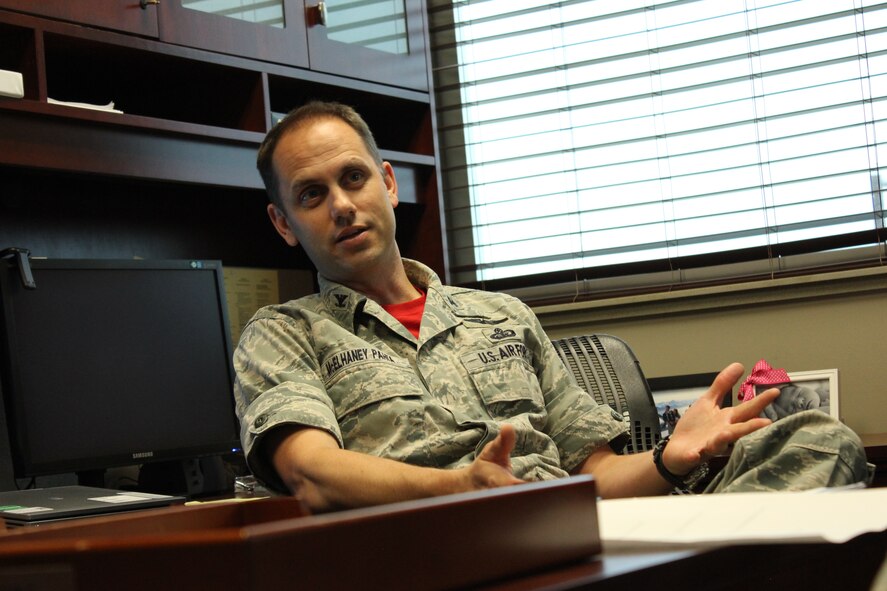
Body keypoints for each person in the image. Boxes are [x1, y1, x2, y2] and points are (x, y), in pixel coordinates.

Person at [233, 101, 873, 513]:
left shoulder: (502, 314)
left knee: (818, 439)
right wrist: (456, 488)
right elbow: (311, 473)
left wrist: (668, 459)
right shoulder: (283, 333)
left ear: (389, 182)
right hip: (448, 543)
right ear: (284, 223)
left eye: (353, 177)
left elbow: (593, 472)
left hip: (587, 527)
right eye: (311, 195)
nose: (342, 205)